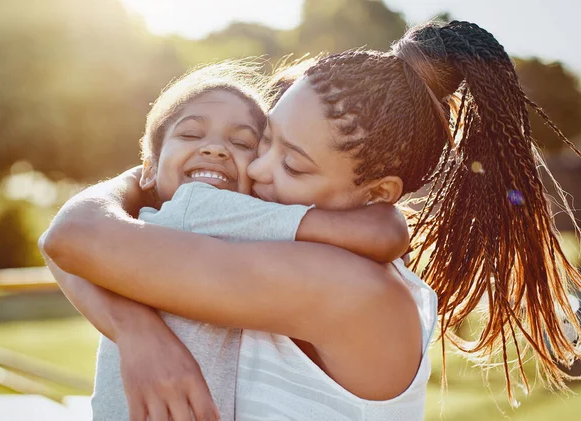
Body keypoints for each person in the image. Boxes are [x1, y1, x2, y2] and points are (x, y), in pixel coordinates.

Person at [42, 20, 581, 420]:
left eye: (293, 164)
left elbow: (77, 238)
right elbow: (82, 246)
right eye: (266, 137)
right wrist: (136, 331)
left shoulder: (342, 287)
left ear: (377, 194)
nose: (255, 167)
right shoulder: (284, 240)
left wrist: (134, 185)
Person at [41, 61, 409, 421]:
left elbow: (62, 240)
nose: (215, 149)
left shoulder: (142, 226)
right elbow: (64, 240)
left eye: (242, 142)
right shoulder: (194, 208)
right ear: (151, 167)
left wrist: (145, 175)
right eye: (190, 134)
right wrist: (135, 330)